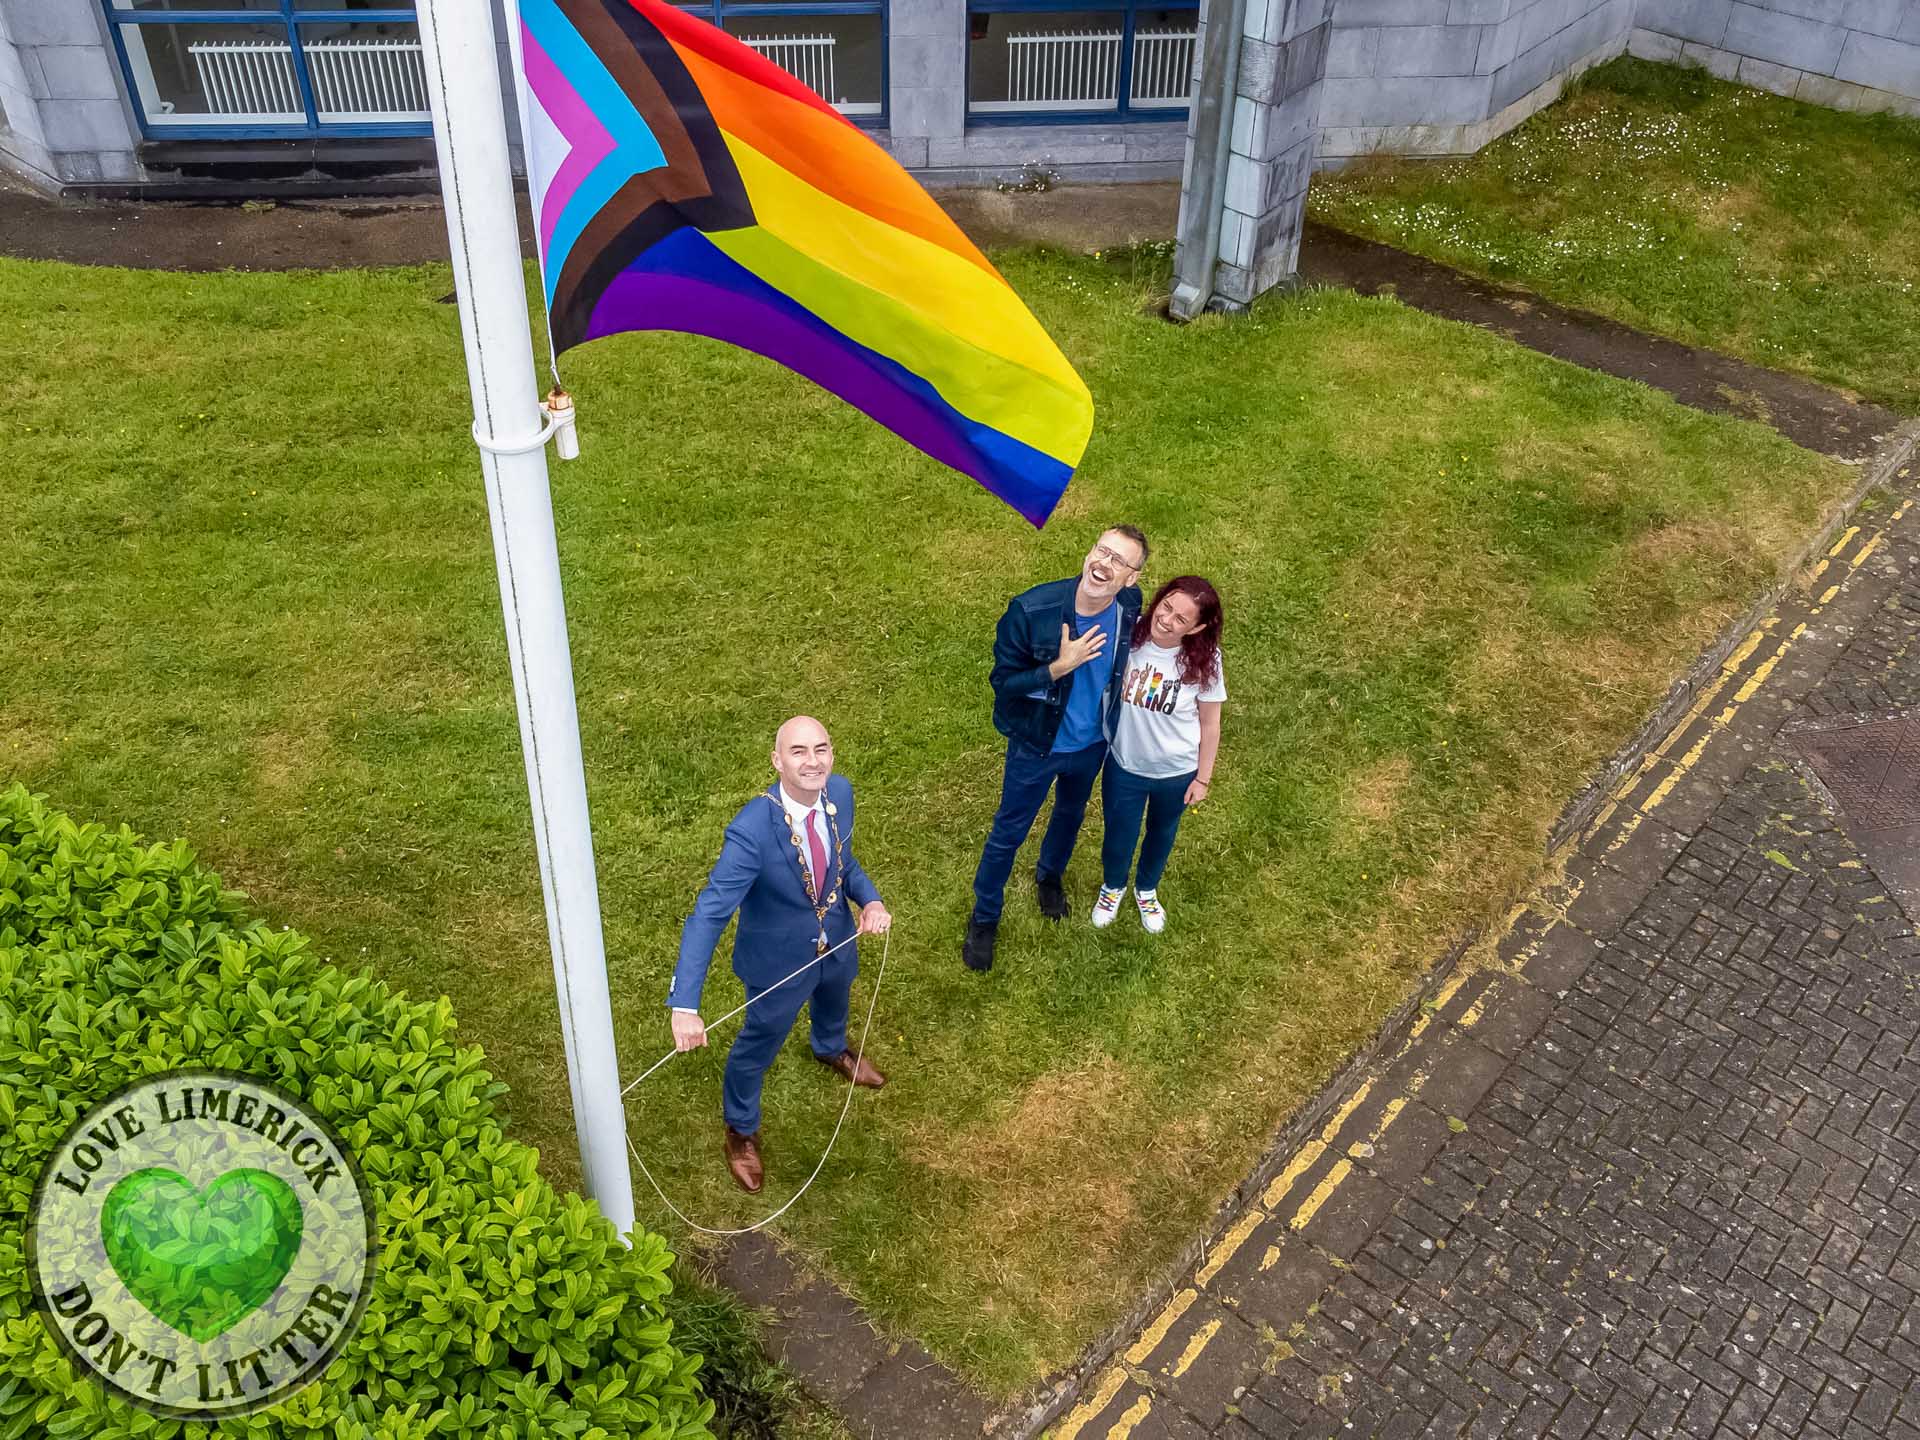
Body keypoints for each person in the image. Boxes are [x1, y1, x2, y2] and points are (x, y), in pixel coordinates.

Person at [669, 716, 892, 1194]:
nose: (812, 761)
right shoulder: (751, 831)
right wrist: (684, 1005)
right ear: (777, 760)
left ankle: (830, 1048)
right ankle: (741, 1129)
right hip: (776, 964)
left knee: (836, 995)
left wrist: (869, 899)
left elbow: (843, 863)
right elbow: (709, 914)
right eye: (798, 751)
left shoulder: (841, 794)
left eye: (821, 749)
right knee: (757, 1045)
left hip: (836, 941)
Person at [963, 525, 1150, 972]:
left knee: (1070, 814)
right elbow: (1003, 684)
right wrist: (1057, 667)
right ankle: (985, 917)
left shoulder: (1128, 606)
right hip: (1037, 745)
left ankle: (1050, 877)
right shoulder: (1032, 611)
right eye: (1101, 551)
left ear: (1132, 579)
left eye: (1118, 561)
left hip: (1091, 746)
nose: (1103, 564)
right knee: (1008, 832)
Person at [1094, 576, 1225, 934]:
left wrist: (1203, 777)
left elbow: (1210, 724)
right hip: (1125, 765)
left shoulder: (1204, 661)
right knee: (1119, 833)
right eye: (1166, 606)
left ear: (1196, 627)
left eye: (1181, 619)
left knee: (1162, 832)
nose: (1166, 619)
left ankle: (1146, 889)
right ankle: (1113, 887)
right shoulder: (1131, 635)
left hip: (1177, 773)